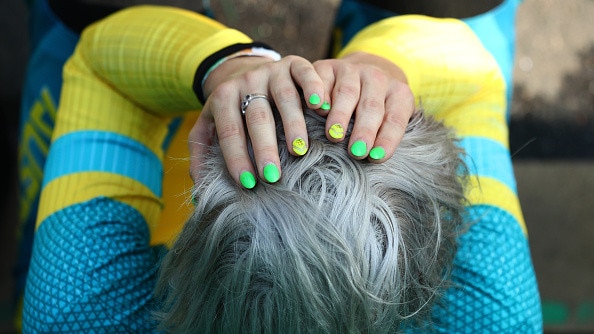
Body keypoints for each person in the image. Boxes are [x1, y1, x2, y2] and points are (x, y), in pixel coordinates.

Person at [18, 1, 541, 333]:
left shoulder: (83, 309)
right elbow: (474, 73)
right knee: (447, 6)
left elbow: (100, 66)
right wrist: (377, 66)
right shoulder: (489, 317)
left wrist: (226, 64)